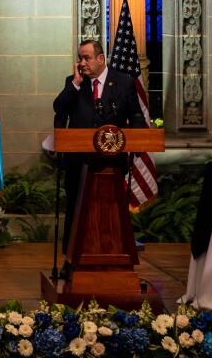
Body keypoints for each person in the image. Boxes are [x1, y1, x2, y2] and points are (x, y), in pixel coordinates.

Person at [50, 39, 147, 277]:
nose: (82, 63)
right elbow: (59, 108)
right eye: (80, 58)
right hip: (79, 161)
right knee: (75, 209)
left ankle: (114, 259)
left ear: (101, 59)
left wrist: (138, 140)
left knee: (110, 212)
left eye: (87, 58)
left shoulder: (123, 82)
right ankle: (70, 261)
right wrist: (75, 83)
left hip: (111, 164)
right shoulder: (74, 83)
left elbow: (136, 118)